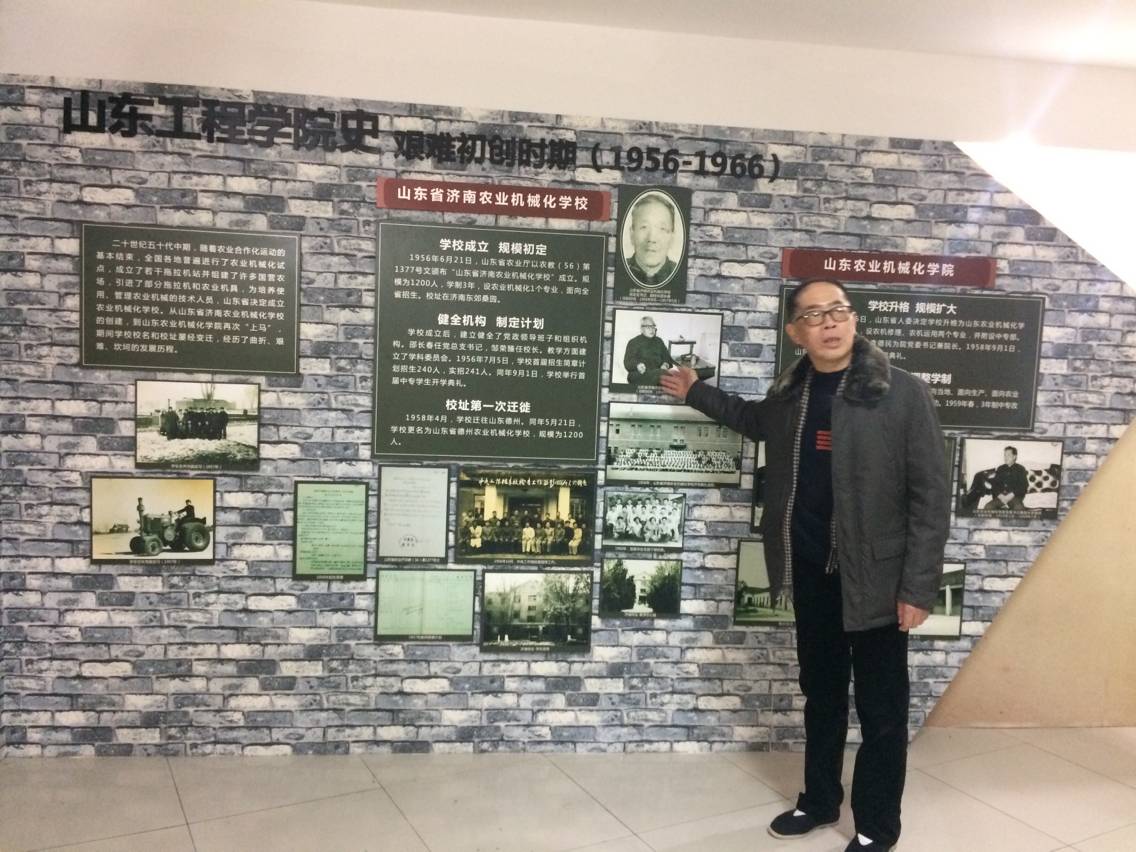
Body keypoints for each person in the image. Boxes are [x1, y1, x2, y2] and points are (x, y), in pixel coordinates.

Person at [660, 278, 950, 852]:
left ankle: (877, 825)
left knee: (882, 709)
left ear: (854, 319)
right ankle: (819, 801)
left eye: (838, 310)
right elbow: (753, 420)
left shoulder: (900, 393)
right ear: (796, 331)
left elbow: (931, 496)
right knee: (822, 695)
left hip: (877, 578)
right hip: (810, 570)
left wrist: (918, 587)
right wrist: (696, 391)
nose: (829, 322)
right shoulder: (791, 393)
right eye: (814, 315)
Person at [624, 193, 680, 286]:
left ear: (672, 237)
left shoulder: (679, 273)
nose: (652, 238)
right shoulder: (621, 269)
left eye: (662, 229)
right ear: (632, 234)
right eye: (644, 227)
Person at [623, 316, 676, 385]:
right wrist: (637, 365)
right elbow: (627, 362)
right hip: (640, 375)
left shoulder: (659, 341)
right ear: (642, 329)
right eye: (648, 327)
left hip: (658, 373)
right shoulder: (634, 342)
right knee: (664, 375)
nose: (652, 330)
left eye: (653, 327)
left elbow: (667, 357)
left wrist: (665, 364)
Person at [985, 446, 1028, 510]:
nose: (1005, 457)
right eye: (1005, 455)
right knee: (988, 507)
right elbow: (994, 484)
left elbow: (1023, 486)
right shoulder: (1000, 468)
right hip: (1000, 497)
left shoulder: (1020, 469)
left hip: (1014, 497)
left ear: (1014, 457)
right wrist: (1000, 495)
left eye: (1008, 455)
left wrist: (1011, 495)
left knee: (1019, 508)